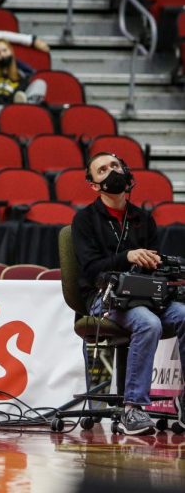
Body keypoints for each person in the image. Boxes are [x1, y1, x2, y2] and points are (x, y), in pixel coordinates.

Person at [72, 152, 185, 436]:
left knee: (183, 314)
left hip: (147, 296)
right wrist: (128, 256)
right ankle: (132, 408)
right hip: (103, 297)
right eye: (102, 170)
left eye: (115, 165)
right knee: (148, 322)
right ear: (94, 185)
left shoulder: (143, 219)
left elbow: (155, 265)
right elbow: (90, 268)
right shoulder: (85, 220)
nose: (111, 171)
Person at [0, 38, 47, 120]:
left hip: (16, 109)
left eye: (5, 50)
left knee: (40, 83)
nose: (2, 55)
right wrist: (9, 102)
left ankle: (26, 109)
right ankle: (24, 111)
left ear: (10, 51)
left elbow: (21, 95)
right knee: (6, 110)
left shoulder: (20, 75)